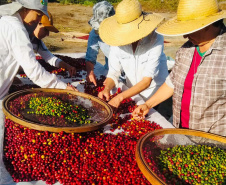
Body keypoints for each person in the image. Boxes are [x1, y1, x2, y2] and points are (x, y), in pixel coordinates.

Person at [0, 0, 76, 183]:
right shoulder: (15, 27)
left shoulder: (14, 24)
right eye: (38, 16)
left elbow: (45, 55)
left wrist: (62, 66)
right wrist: (60, 86)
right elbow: (33, 70)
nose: (38, 21)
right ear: (26, 9)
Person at [132, 0, 226, 136]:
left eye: (190, 29)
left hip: (214, 139)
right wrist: (148, 105)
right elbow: (172, 82)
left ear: (207, 25)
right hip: (180, 129)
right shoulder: (186, 50)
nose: (185, 36)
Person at [97, 0, 168, 108]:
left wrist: (120, 97)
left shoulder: (156, 38)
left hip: (155, 93)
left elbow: (146, 81)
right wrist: (106, 89)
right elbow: (113, 73)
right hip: (132, 92)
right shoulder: (118, 40)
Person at [31, 11, 77, 77]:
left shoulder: (36, 40)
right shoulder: (22, 37)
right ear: (37, 23)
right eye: (46, 29)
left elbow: (49, 57)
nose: (47, 34)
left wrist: (67, 66)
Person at [85, 1, 115, 86]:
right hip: (110, 70)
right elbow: (90, 57)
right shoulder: (95, 33)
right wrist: (90, 72)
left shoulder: (125, 33)